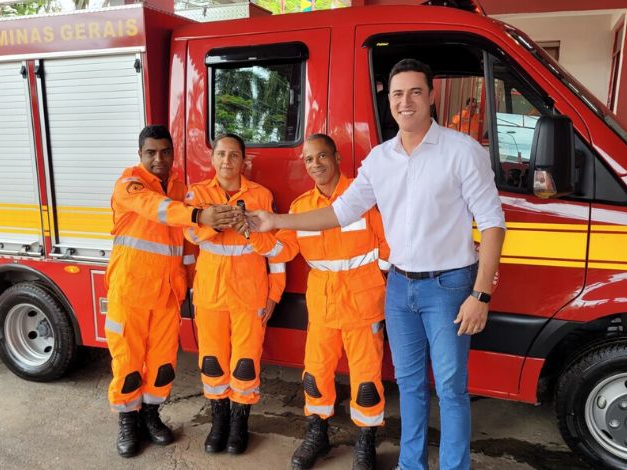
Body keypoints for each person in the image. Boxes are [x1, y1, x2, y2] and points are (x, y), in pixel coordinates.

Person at [248, 59, 506, 470]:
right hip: (400, 289)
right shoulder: (380, 159)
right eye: (398, 93)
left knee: (452, 389)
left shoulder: (462, 151)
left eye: (415, 92)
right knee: (410, 385)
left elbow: (493, 224)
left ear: (431, 96)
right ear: (390, 100)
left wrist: (481, 293)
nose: (406, 102)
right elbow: (339, 213)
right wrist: (278, 220)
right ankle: (410, 465)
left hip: (450, 286)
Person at [105, 125, 240, 458]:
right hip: (131, 291)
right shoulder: (130, 185)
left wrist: (193, 284)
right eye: (151, 153)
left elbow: (187, 248)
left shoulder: (181, 188)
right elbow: (157, 209)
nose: (158, 159)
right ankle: (128, 420)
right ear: (140, 155)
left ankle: (151, 415)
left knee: (163, 363)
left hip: (167, 293)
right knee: (128, 361)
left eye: (165, 152)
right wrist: (199, 214)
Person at [274, 134, 390, 470]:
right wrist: (253, 233)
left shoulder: (363, 196)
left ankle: (365, 442)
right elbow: (282, 250)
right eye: (309, 160)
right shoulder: (301, 208)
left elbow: (389, 244)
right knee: (315, 375)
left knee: (366, 381)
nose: (315, 165)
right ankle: (317, 434)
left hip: (363, 303)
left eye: (321, 156)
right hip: (322, 306)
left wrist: (378, 281)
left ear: (337, 157)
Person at [185, 133, 286, 456]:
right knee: (212, 363)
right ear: (212, 158)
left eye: (233, 155)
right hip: (211, 294)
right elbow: (188, 233)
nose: (227, 161)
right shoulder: (198, 194)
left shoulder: (261, 195)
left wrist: (275, 294)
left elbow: (275, 251)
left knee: (245, 364)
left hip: (250, 293)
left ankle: (240, 424)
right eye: (221, 154)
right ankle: (218, 423)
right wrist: (212, 222)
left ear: (245, 161)